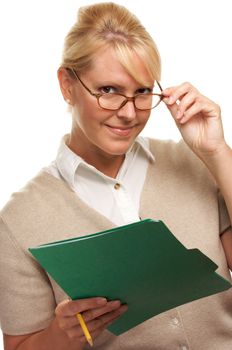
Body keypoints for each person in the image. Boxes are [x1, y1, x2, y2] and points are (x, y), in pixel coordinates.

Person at [1, 2, 232, 349]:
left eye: (141, 92)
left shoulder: (194, 163)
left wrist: (217, 153)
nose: (128, 113)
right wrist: (60, 335)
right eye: (108, 90)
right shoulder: (19, 219)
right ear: (67, 84)